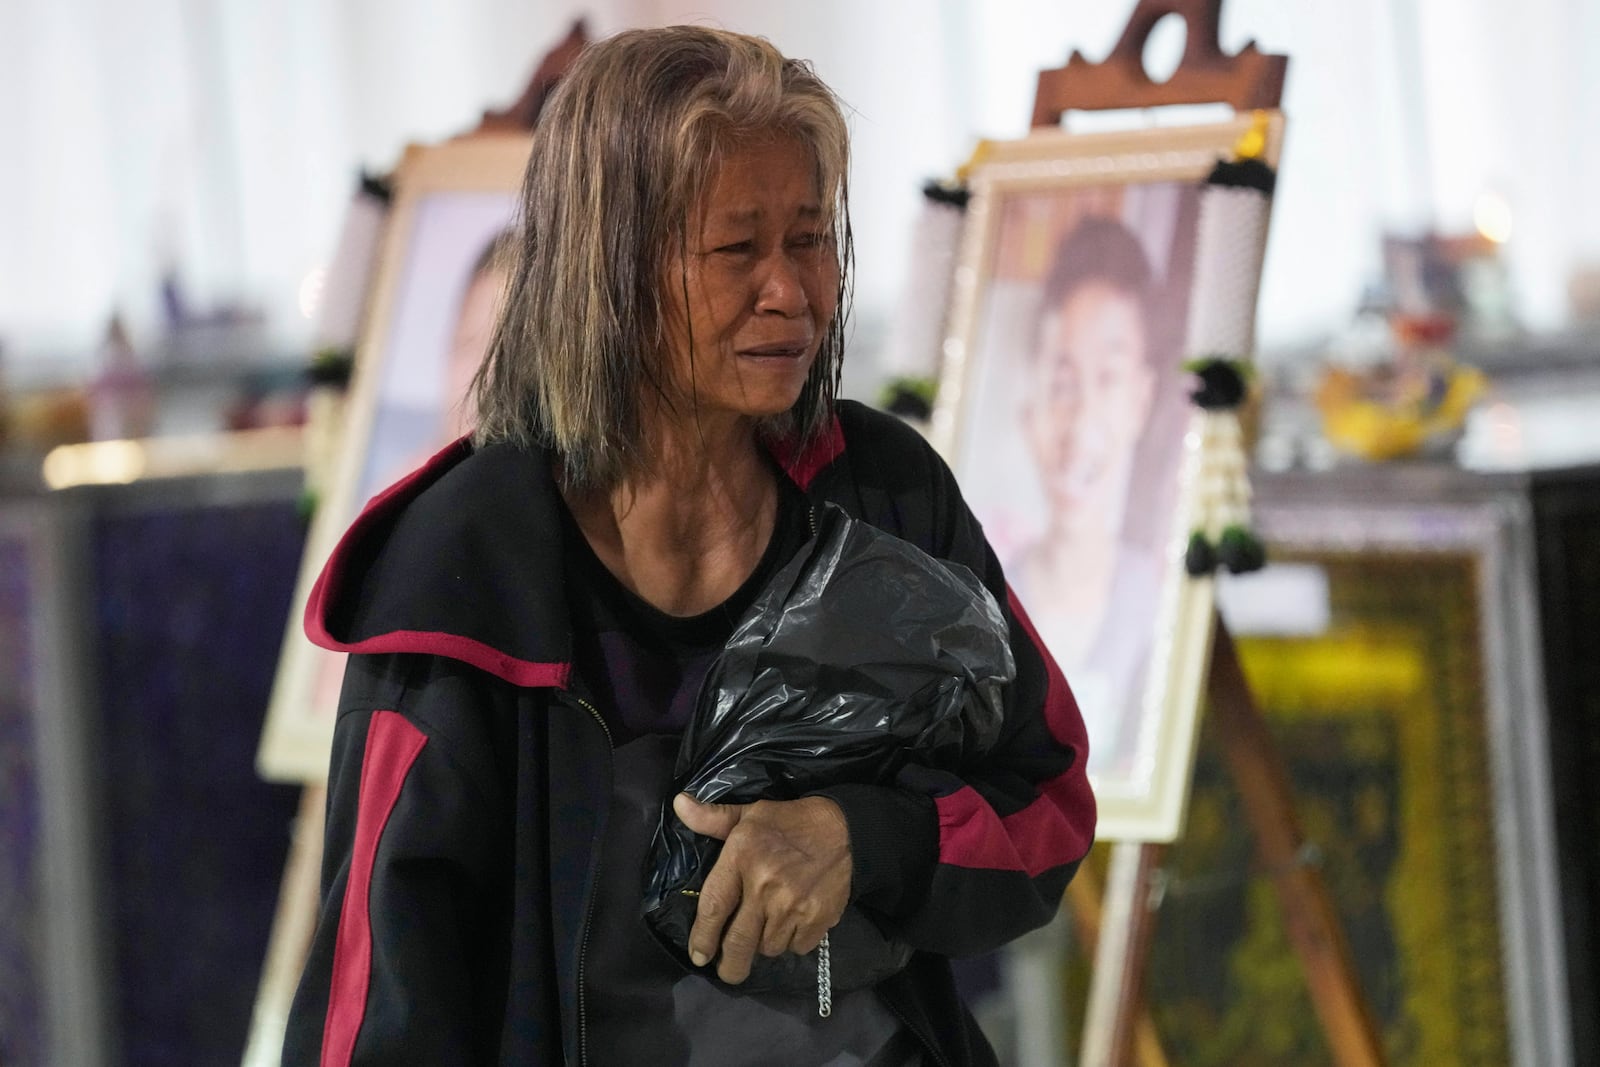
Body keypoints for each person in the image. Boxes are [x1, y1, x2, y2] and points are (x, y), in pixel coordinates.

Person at [284, 26, 1094, 1067]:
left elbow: (1051, 795)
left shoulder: (884, 495)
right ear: (611, 271)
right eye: (736, 248)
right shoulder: (468, 567)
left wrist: (862, 835)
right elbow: (379, 1004)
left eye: (808, 238)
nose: (792, 292)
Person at [1014, 215, 1165, 778]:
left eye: (1108, 379)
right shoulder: (977, 598)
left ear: (1141, 401)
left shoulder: (1163, 611)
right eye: (1061, 383)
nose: (1079, 426)